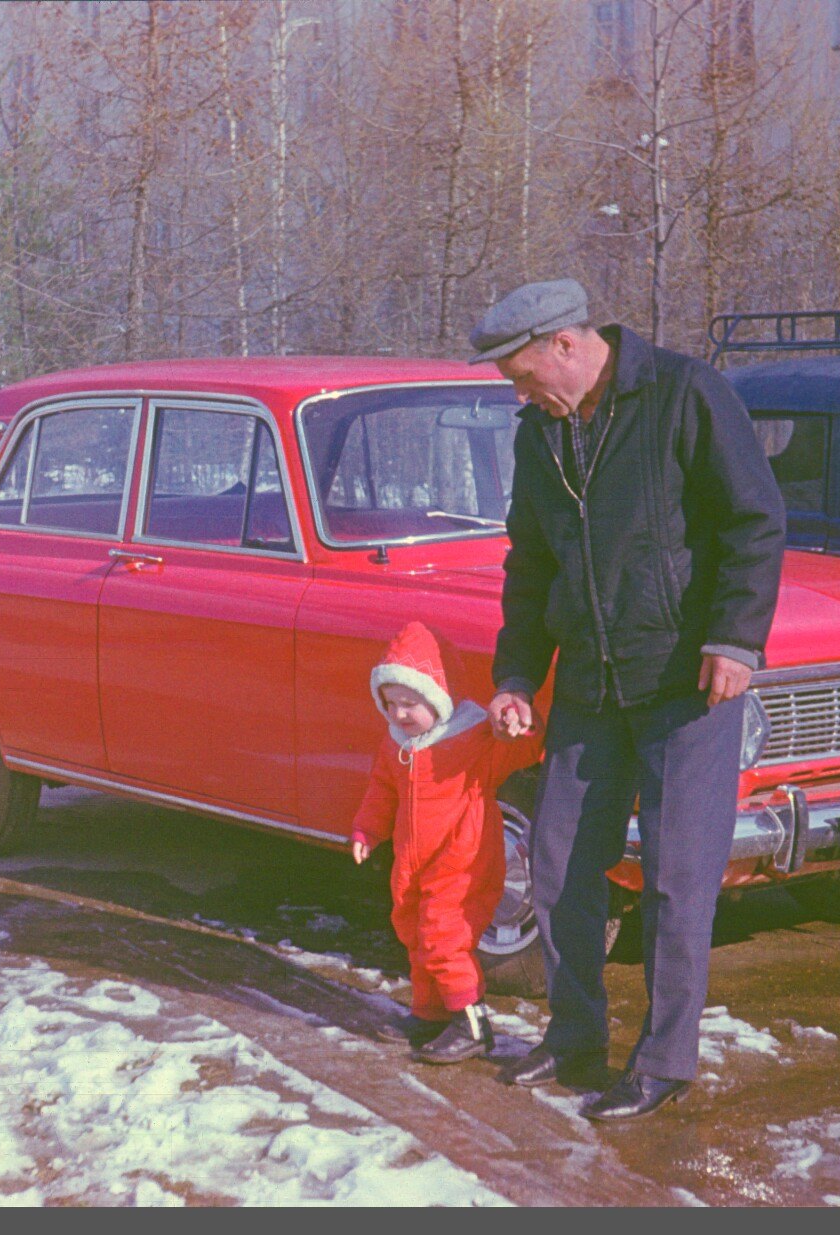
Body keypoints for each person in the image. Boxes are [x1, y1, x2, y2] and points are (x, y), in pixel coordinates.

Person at [470, 278, 787, 1120]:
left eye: (522, 375)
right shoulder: (543, 435)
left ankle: (664, 1060)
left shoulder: (684, 393)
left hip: (684, 681)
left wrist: (734, 637)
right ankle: (574, 1032)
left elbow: (752, 520)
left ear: (565, 346)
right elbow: (529, 563)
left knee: (679, 881)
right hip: (590, 685)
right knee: (562, 862)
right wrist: (514, 672)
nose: (519, 393)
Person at [350, 620, 545, 1063]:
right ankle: (430, 1014)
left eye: (411, 703)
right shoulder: (398, 745)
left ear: (438, 698)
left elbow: (521, 751)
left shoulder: (472, 737)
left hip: (463, 859)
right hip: (413, 860)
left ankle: (472, 1023)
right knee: (416, 931)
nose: (400, 714)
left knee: (444, 937)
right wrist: (368, 830)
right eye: (392, 703)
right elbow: (382, 790)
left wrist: (516, 728)